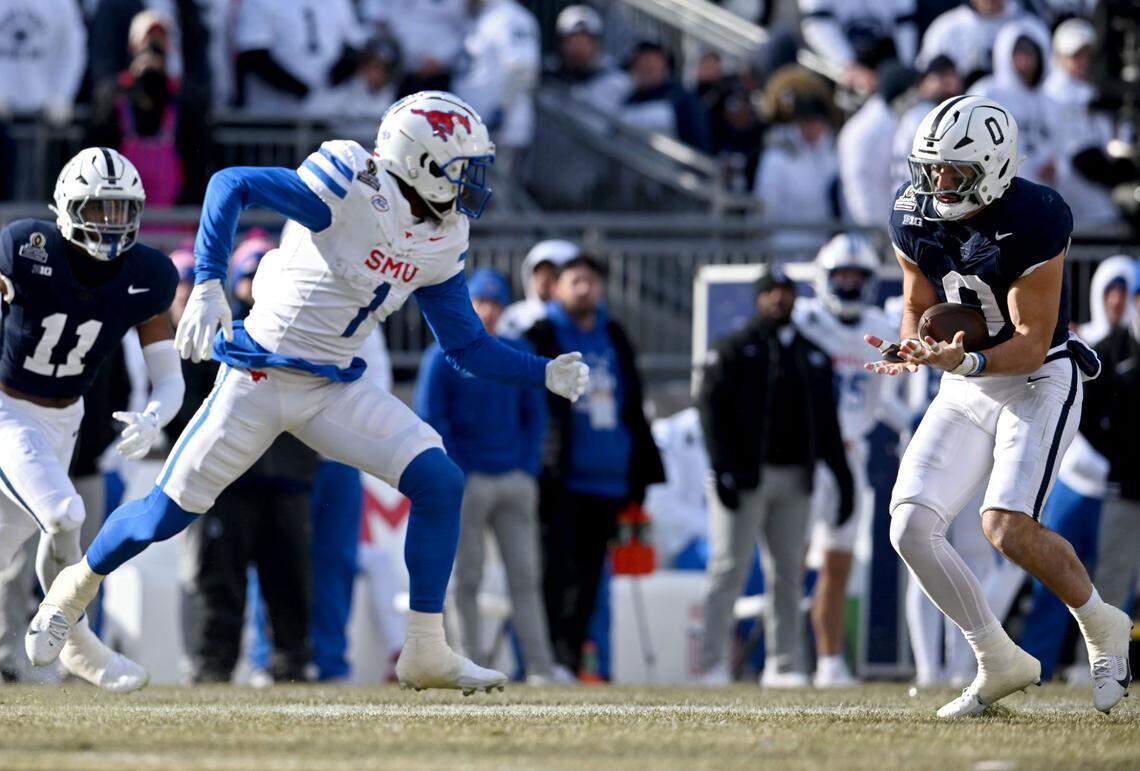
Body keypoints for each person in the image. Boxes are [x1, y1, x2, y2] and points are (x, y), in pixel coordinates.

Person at [25, 91, 590, 695]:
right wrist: (212, 281)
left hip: (332, 389)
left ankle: (426, 649)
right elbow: (232, 182)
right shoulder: (352, 181)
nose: (474, 183)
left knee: (440, 480)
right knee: (161, 516)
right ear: (420, 161)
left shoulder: (443, 235)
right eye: (463, 168)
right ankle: (68, 593)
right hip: (260, 379)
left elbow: (466, 346)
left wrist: (541, 371)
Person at [869, 95, 1131, 717]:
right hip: (965, 379)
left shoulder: (1036, 216)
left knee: (1006, 526)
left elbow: (1031, 340)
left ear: (992, 166)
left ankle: (1101, 623)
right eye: (931, 168)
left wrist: (965, 361)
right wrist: (915, 344)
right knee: (908, 525)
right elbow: (917, 299)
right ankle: (997, 657)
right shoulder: (913, 213)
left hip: (1038, 376)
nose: (937, 183)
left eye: (952, 171)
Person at [0, 147, 183, 691]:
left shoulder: (148, 274)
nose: (110, 222)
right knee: (64, 515)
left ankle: (73, 643)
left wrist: (156, 415)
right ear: (66, 206)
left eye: (121, 209)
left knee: (14, 543)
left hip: (66, 419)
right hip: (7, 410)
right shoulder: (26, 247)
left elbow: (168, 375)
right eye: (98, 208)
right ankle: (78, 645)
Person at [176, 232, 320, 684]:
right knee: (220, 579)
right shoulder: (216, 332)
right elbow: (189, 404)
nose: (255, 286)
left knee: (289, 579)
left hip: (287, 478)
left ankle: (290, 660)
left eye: (263, 276)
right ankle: (214, 664)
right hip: (229, 481)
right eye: (248, 277)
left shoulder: (305, 332)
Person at [698, 268, 853, 686]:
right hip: (745, 478)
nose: (778, 300)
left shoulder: (810, 355)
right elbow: (710, 410)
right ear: (758, 298)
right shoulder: (734, 348)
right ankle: (712, 662)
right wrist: (722, 469)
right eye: (770, 293)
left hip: (794, 479)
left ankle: (783, 665)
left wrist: (842, 476)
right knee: (728, 568)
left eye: (785, 293)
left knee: (787, 575)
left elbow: (827, 425)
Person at [415, 268, 560, 683]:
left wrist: (527, 467)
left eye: (496, 303)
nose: (489, 311)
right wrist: (460, 469)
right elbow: (433, 419)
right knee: (467, 576)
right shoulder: (442, 355)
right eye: (481, 302)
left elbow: (536, 415)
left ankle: (540, 666)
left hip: (514, 478)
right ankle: (468, 661)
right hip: (470, 480)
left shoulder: (515, 350)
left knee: (526, 576)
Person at [526, 254, 664, 675]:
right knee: (556, 573)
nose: (584, 288)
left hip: (608, 480)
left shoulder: (614, 334)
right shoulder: (542, 335)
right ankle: (549, 658)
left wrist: (639, 469)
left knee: (589, 580)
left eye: (591, 280)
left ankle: (572, 658)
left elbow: (632, 403)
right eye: (575, 281)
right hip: (561, 479)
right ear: (556, 287)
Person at [794, 234, 911, 687]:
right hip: (807, 458)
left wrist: (915, 421)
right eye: (840, 275)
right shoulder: (804, 321)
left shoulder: (878, 328)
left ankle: (828, 662)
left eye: (855, 277)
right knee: (792, 561)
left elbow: (882, 402)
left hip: (853, 458)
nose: (847, 284)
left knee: (839, 563)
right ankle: (783, 660)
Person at [1018, 255, 1136, 682]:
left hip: (1115, 488)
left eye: (1127, 293)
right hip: (1072, 480)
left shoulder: (1128, 346)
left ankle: (1098, 668)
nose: (1119, 302)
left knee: (1108, 584)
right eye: (1112, 291)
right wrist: (1114, 454)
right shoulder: (1079, 340)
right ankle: (1037, 669)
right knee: (1053, 583)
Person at [1081, 260, 1140, 642]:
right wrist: (1119, 453)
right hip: (1128, 485)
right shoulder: (1111, 348)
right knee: (1114, 575)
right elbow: (1085, 414)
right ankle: (1102, 661)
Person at [1042, 18, 1121, 230]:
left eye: (1088, 54)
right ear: (1060, 56)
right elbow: (1073, 153)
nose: (1083, 61)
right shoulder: (1051, 94)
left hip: (1104, 205)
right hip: (1070, 199)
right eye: (1076, 55)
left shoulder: (1101, 91)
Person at [453, 0, 541, 179]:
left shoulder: (511, 16)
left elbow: (523, 68)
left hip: (503, 132)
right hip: (474, 133)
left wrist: (500, 110)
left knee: (498, 199)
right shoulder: (481, 17)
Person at [234, 0, 364, 116]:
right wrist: (298, 89)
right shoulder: (259, 2)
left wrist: (337, 74)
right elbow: (253, 54)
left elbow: (354, 45)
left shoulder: (338, 3)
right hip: (275, 119)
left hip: (329, 115)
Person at [969, 20, 1058, 186]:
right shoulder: (987, 93)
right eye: (1018, 53)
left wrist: (1057, 166)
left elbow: (1060, 145)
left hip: (1042, 190)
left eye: (1030, 54)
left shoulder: (1050, 100)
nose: (1024, 61)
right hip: (996, 189)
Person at [916, 0, 1048, 88]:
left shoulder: (1031, 28)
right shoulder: (946, 28)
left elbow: (1049, 81)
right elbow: (927, 82)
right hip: (961, 115)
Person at [619, 41, 711, 152]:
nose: (643, 69)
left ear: (666, 69)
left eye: (650, 68)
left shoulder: (681, 99)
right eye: (638, 67)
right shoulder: (629, 98)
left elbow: (697, 141)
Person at [497, 239, 579, 339]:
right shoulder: (513, 318)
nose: (546, 280)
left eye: (555, 274)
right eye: (540, 273)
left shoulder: (589, 321)